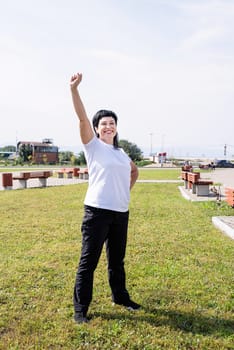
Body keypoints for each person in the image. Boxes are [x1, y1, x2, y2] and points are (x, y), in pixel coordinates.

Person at [70, 72, 140, 324]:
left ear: (116, 127)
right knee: (88, 262)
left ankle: (120, 297)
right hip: (97, 212)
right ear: (97, 129)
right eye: (104, 123)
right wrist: (74, 90)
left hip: (120, 212)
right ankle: (81, 309)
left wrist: (124, 191)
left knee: (116, 260)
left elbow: (134, 171)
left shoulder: (120, 152)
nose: (108, 126)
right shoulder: (93, 146)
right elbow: (81, 117)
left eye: (112, 122)